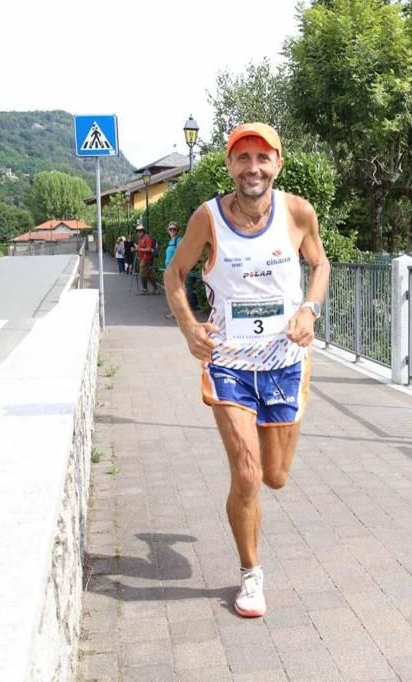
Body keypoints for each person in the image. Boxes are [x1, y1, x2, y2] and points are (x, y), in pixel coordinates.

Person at [164, 122, 330, 618]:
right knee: (248, 473)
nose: (252, 168)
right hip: (230, 364)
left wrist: (309, 310)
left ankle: (257, 489)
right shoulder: (208, 218)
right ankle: (251, 574)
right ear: (230, 165)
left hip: (284, 363)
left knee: (275, 477)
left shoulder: (298, 212)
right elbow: (175, 273)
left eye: (262, 158)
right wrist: (188, 326)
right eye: (243, 158)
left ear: (277, 164)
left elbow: (320, 265)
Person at [163, 223, 182, 319]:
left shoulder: (179, 240)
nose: (172, 231)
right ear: (168, 231)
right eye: (170, 229)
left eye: (174, 229)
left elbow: (181, 252)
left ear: (177, 230)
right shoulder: (171, 242)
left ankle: (176, 313)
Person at [135, 225, 156, 294]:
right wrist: (136, 250)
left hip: (146, 259)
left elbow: (149, 249)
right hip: (143, 259)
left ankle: (145, 290)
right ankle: (155, 289)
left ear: (143, 231)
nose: (139, 232)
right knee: (149, 275)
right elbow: (139, 248)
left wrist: (138, 249)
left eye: (140, 231)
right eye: (137, 231)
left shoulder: (146, 238)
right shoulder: (141, 239)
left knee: (143, 274)